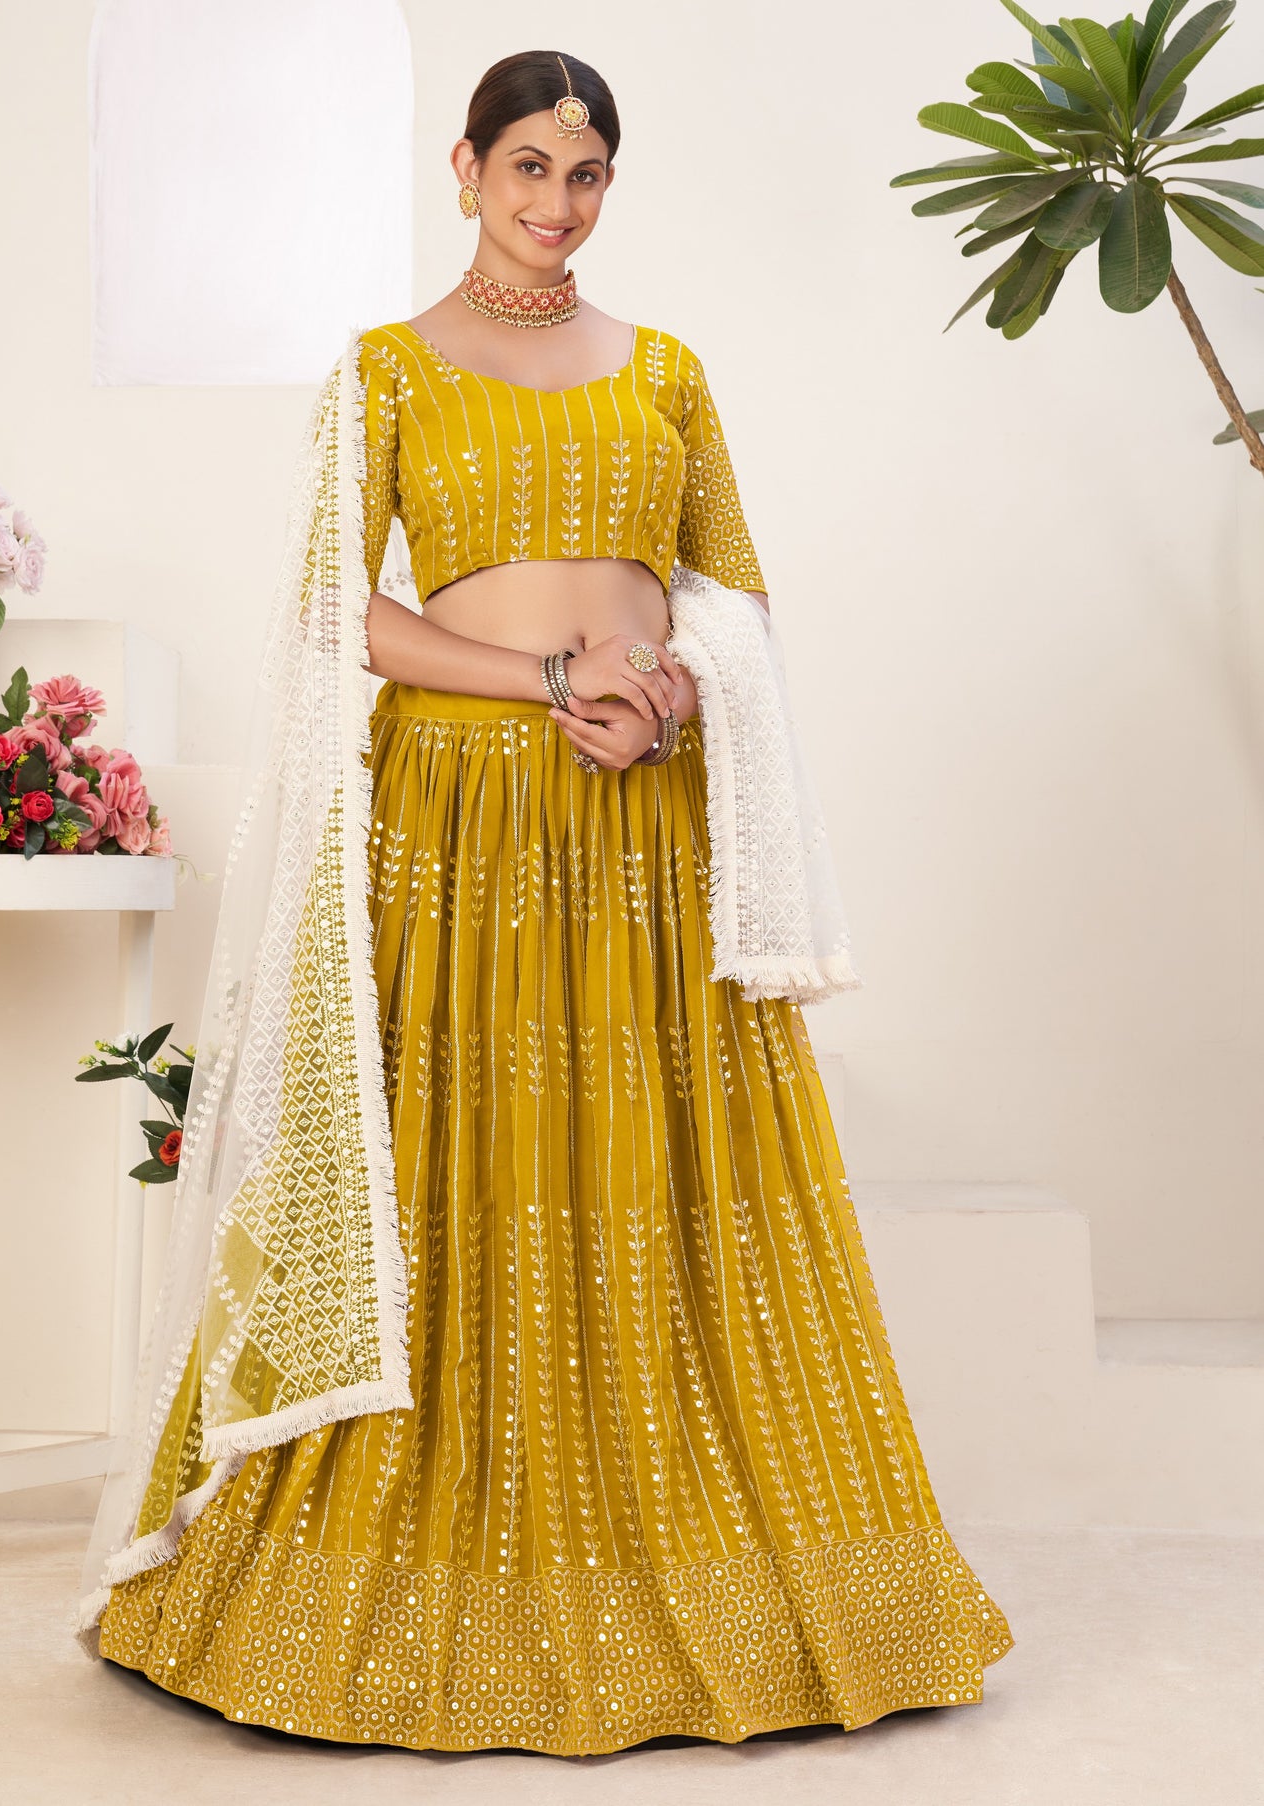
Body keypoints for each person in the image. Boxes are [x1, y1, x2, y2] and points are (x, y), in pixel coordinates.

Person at [78, 49, 1015, 1754]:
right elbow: (334, 613)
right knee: (458, 1147)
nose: (554, 204)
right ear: (461, 168)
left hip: (646, 810)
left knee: (663, 1158)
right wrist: (545, 679)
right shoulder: (384, 372)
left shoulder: (666, 368)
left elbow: (728, 593)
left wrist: (659, 694)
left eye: (584, 177)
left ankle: (734, 1564)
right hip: (467, 802)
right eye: (525, 167)